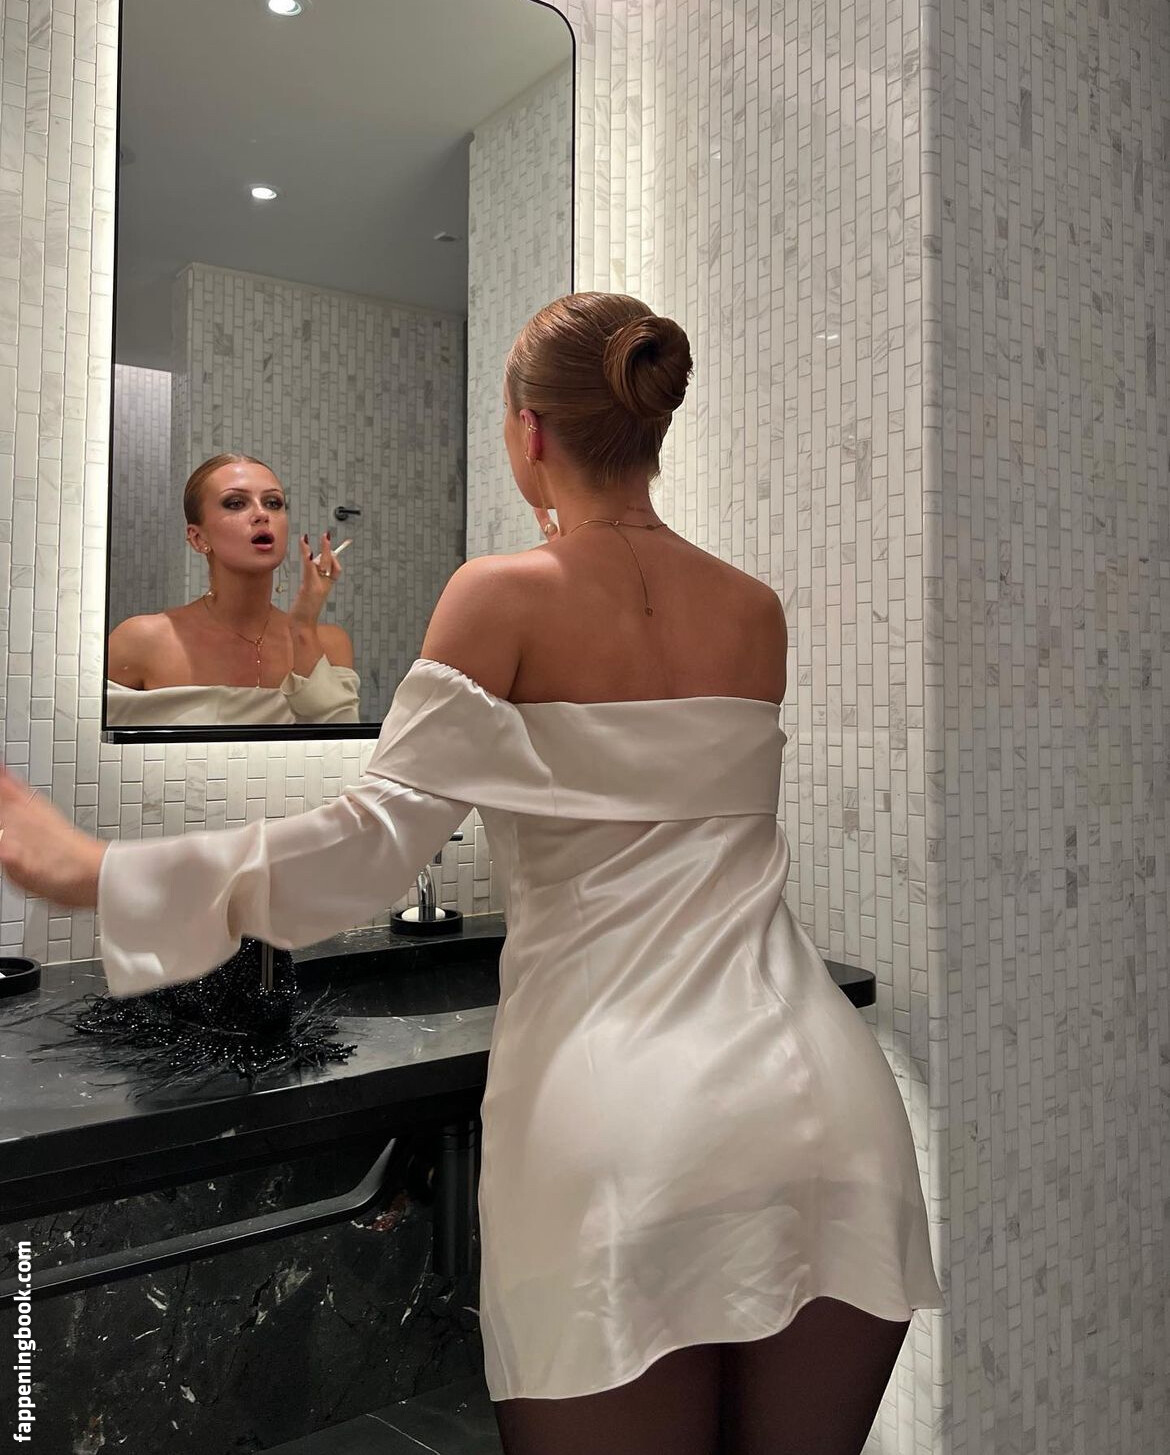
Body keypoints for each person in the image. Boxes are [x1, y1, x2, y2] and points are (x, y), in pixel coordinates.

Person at [0, 293, 943, 1454]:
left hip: (626, 1130)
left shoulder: (503, 593)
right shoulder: (754, 611)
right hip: (827, 1108)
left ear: (529, 431)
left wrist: (98, 872)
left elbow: (367, 852)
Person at [105, 454, 361, 726]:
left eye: (273, 503)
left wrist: (303, 628)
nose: (262, 514)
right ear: (198, 537)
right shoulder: (142, 641)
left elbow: (341, 746)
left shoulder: (329, 644)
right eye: (236, 503)